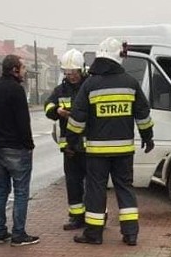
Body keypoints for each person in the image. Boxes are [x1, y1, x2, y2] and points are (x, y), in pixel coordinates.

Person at [66, 38, 154, 246]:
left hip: (97, 152)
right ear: (118, 58)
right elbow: (143, 113)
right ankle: (130, 234)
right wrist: (147, 137)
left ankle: (94, 234)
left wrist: (71, 142)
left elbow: (78, 118)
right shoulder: (131, 83)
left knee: (96, 190)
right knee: (125, 188)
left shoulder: (90, 84)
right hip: (124, 151)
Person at [0, 54, 39, 247]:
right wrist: (29, 145)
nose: (25, 71)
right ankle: (19, 234)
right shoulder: (17, 90)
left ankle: (0, 232)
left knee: (1, 189)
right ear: (14, 70)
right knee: (21, 191)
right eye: (23, 67)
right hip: (17, 149)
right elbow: (23, 122)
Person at [44, 49, 88, 230]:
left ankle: (97, 216)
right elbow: (48, 106)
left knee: (93, 184)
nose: (71, 76)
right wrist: (56, 111)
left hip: (88, 145)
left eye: (74, 73)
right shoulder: (60, 90)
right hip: (69, 148)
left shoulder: (89, 87)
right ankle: (76, 217)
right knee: (72, 182)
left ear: (82, 70)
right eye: (68, 73)